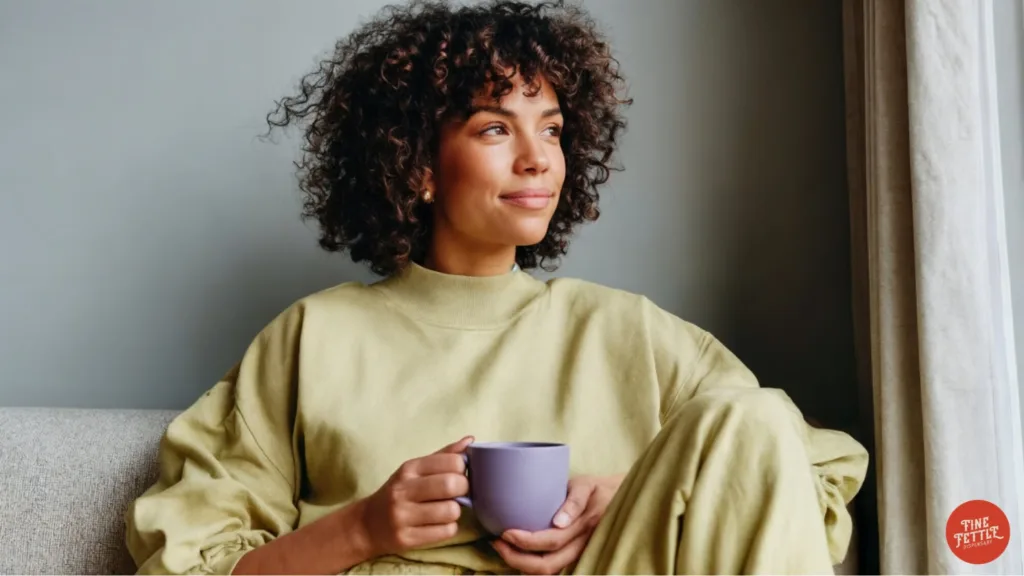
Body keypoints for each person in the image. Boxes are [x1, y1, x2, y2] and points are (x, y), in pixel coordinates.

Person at [124, 0, 869, 574]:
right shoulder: (312, 340)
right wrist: (363, 527)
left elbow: (810, 470)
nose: (538, 159)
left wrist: (631, 495)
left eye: (550, 130)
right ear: (416, 165)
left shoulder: (627, 333)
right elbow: (191, 564)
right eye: (493, 130)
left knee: (754, 418)